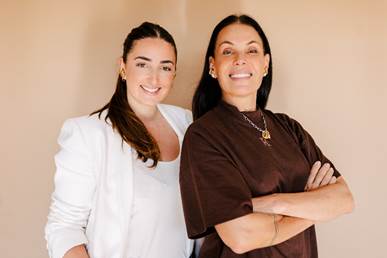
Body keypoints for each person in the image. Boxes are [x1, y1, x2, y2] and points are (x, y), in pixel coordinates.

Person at [179, 14, 354, 258]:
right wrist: (311, 204)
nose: (240, 60)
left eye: (251, 51)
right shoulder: (203, 136)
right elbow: (241, 237)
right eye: (228, 52)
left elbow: (344, 199)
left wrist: (272, 204)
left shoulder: (289, 127)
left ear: (265, 63)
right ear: (212, 66)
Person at [45, 22, 194, 258]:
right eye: (142, 64)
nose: (154, 78)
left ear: (174, 74)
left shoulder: (186, 123)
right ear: (123, 67)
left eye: (165, 67)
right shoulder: (88, 133)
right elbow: (64, 227)